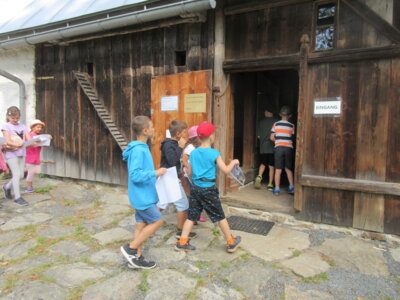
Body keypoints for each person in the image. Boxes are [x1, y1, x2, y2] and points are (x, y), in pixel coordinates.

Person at [175, 122, 242, 253]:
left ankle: (182, 242)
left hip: (195, 188)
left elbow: (190, 171)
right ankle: (231, 242)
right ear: (212, 136)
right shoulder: (214, 153)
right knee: (220, 216)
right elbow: (226, 170)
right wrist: (233, 162)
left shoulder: (194, 153)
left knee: (192, 216)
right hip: (208, 189)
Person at [120, 116, 167, 269]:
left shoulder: (139, 148)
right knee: (157, 221)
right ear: (145, 131)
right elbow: (135, 175)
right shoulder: (139, 150)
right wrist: (156, 173)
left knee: (141, 224)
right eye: (152, 127)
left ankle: (135, 258)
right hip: (142, 197)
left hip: (141, 195)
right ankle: (131, 248)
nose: (154, 129)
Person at [158, 120, 196, 239]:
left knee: (162, 203)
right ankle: (181, 230)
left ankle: (147, 221)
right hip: (170, 178)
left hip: (169, 177)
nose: (186, 135)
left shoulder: (171, 143)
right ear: (178, 134)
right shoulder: (169, 144)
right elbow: (172, 161)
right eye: (185, 132)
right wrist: (180, 147)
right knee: (183, 204)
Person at [2, 106, 33, 206]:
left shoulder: (23, 126)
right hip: (11, 153)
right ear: (8, 117)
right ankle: (17, 197)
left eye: (17, 118)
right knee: (16, 174)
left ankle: (7, 187)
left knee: (20, 175)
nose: (15, 120)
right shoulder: (6, 126)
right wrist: (17, 145)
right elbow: (7, 141)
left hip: (21, 152)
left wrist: (38, 140)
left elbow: (28, 139)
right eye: (13, 118)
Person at [182, 125, 206, 223]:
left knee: (196, 195)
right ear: (196, 138)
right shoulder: (190, 147)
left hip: (195, 175)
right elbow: (184, 160)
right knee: (194, 196)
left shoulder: (197, 147)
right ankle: (191, 216)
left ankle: (195, 216)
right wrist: (189, 169)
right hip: (190, 176)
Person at [270, 105, 295, 196]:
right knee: (288, 168)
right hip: (288, 148)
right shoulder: (292, 125)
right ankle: (291, 186)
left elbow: (272, 137)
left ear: (280, 114)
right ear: (290, 115)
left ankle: (276, 189)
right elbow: (291, 135)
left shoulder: (276, 124)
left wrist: (277, 140)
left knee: (278, 169)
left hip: (279, 148)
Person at [255, 108, 278, 191]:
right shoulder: (276, 122)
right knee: (271, 166)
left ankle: (259, 176)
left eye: (266, 111)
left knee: (263, 163)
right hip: (272, 147)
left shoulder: (261, 122)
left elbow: (258, 136)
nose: (264, 112)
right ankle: (270, 184)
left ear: (269, 112)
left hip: (263, 147)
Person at [25, 119, 50, 192]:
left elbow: (44, 145)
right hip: (30, 157)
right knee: (31, 173)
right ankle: (29, 187)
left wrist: (48, 138)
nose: (39, 129)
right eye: (37, 127)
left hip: (36, 157)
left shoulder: (39, 136)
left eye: (40, 127)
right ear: (32, 127)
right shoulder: (29, 135)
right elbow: (27, 144)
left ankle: (25, 169)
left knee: (37, 172)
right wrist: (38, 141)